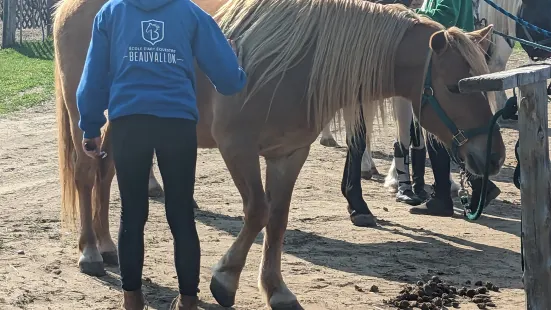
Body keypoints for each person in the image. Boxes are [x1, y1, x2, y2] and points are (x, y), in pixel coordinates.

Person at [76, 0, 247, 308]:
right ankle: (188, 300)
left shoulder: (111, 12)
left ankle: (132, 299)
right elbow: (228, 81)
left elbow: (94, 75)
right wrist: (235, 67)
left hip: (129, 123)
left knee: (132, 213)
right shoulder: (190, 12)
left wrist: (90, 127)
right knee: (182, 215)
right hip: (177, 123)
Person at [408, 0, 500, 216]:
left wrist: (412, 13)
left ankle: (443, 196)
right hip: (452, 58)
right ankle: (477, 185)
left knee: (442, 128)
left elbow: (444, 16)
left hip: (449, 61)